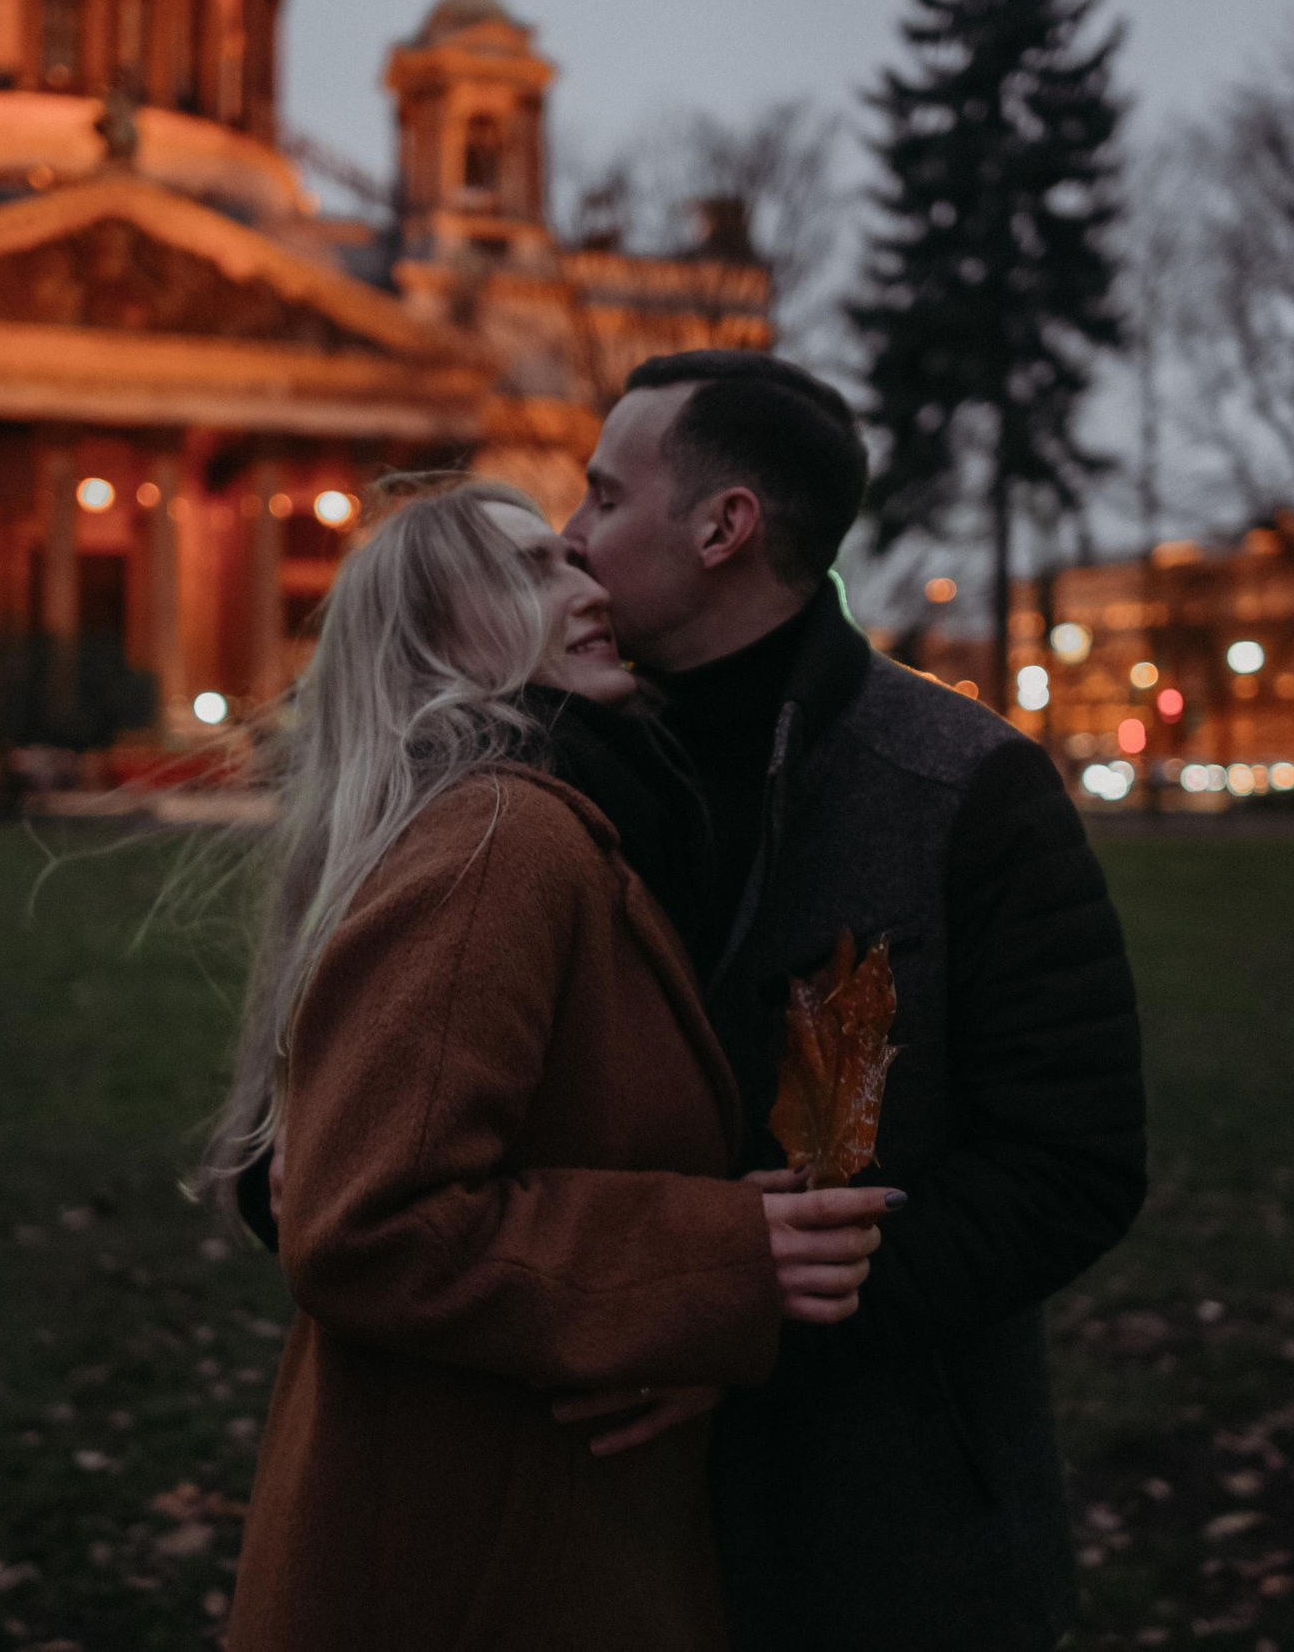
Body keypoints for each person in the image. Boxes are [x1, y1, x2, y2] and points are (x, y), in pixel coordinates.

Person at [205, 480, 899, 1652]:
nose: (589, 589)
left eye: (573, 562)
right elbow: (369, 1222)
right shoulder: (499, 838)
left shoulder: (546, 817)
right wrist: (719, 1252)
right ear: (435, 636)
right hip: (471, 1555)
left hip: (489, 1516)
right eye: (534, 570)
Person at [560, 351, 1149, 1650]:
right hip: (571, 1520)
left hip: (885, 1540)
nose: (569, 534)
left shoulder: (964, 790)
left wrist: (749, 1322)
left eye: (603, 497)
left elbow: (1072, 1164)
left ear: (725, 527)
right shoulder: (528, 780)